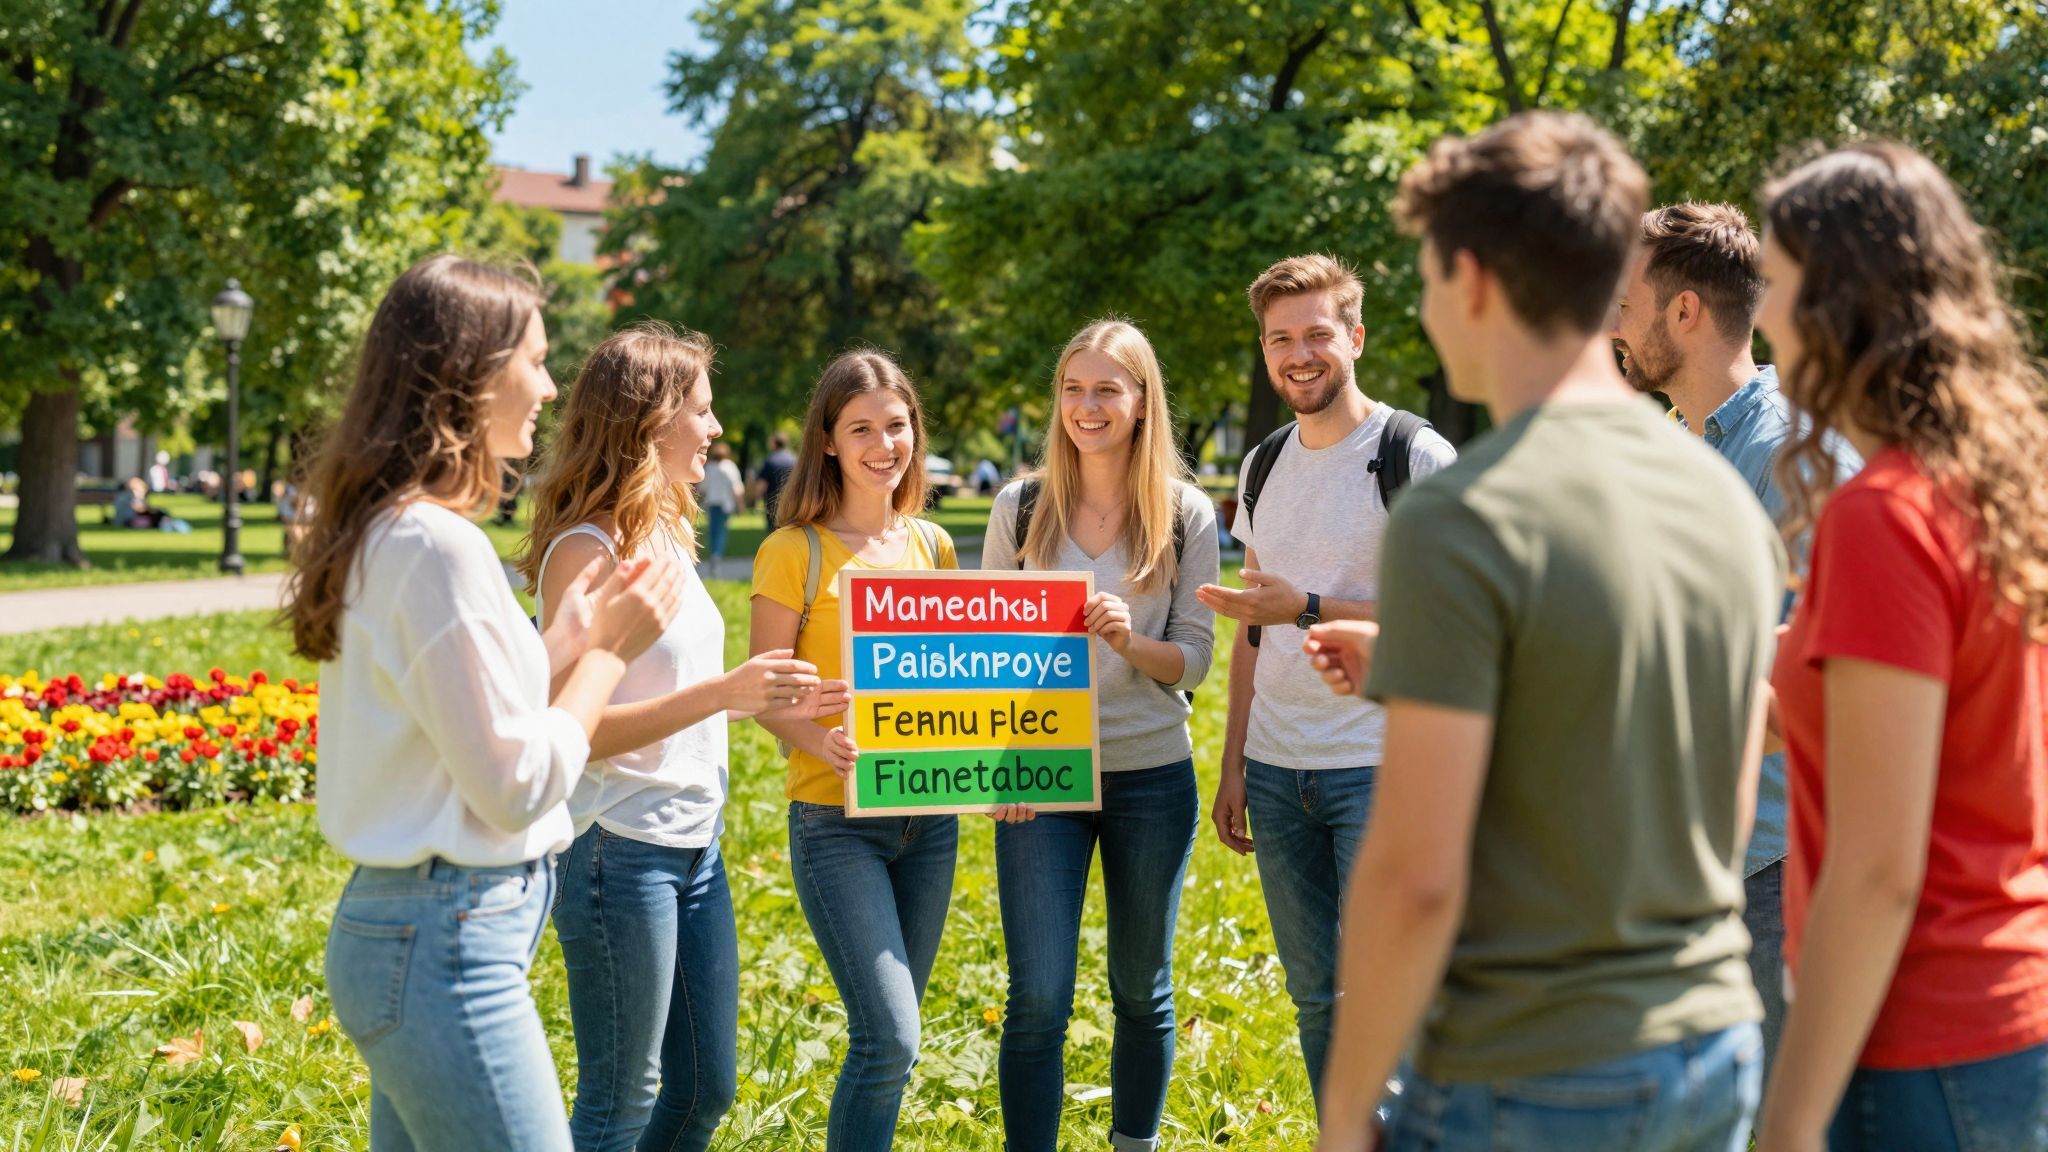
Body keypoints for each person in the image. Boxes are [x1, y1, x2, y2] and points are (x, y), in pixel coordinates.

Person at [1306, 112, 1782, 1151]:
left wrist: (1343, 1114)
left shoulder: (1460, 515)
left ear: (1472, 279)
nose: (1427, 310)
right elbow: (1723, 776)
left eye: (1427, 279)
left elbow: (1416, 874)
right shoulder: (1720, 495)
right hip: (1709, 1050)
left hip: (1528, 1070)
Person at [283, 254, 683, 1150]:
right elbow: (512, 784)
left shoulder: (398, 529)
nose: (548, 385)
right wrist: (610, 655)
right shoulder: (436, 547)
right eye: (534, 360)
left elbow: (456, 728)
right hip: (445, 949)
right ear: (467, 372)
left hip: (416, 934)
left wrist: (563, 645)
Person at [1752, 144, 2048, 1152]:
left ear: (1836, 304)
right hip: (2001, 1023)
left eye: (1774, 285)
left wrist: (1786, 1124)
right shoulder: (1988, 484)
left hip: (1914, 1045)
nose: (1761, 316)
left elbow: (1878, 869)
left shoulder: (1881, 516)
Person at [519, 323, 844, 1152]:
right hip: (616, 850)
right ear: (648, 420)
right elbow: (570, 730)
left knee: (705, 1088)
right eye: (700, 409)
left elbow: (682, 691)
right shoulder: (584, 553)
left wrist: (761, 698)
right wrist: (722, 693)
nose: (716, 428)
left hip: (695, 845)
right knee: (622, 1100)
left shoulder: (666, 533)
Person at [1192, 253, 1457, 1105]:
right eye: (1280, 340)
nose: (1298, 355)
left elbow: (1454, 626)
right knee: (1316, 1001)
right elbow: (1250, 636)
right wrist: (1234, 764)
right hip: (1275, 772)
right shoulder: (1262, 464)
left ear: (1355, 337)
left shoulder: (1414, 454)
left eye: (1316, 334)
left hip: (1380, 765)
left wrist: (1307, 604)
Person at [1610, 200, 1861, 1082]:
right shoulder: (1689, 448)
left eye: (1626, 302)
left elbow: (1819, 674)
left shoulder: (1794, 455)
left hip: (1772, 862)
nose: (1613, 322)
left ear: (1685, 312)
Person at [980, 319, 1220, 1152]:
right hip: (1041, 779)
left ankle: (1133, 1144)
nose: (1088, 406)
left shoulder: (1185, 513)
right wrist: (999, 765)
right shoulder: (1021, 507)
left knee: (1139, 987)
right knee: (1038, 995)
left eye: (1107, 389)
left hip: (1151, 776)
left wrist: (1128, 642)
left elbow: (1193, 662)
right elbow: (983, 656)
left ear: (1142, 400)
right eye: (1074, 389)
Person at [749, 350, 960, 1152]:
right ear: (828, 441)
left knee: (893, 1050)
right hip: (835, 822)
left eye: (896, 426)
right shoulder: (792, 551)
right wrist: (818, 736)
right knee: (892, 1038)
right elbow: (766, 694)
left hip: (928, 821)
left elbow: (957, 683)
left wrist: (1007, 756)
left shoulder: (935, 548)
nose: (884, 444)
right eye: (861, 428)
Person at [695, 442, 745, 577]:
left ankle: (714, 554)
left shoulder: (709, 467)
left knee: (713, 530)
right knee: (721, 530)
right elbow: (737, 488)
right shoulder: (730, 467)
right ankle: (717, 555)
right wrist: (740, 505)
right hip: (725, 505)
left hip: (712, 503)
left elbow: (702, 487)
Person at [751, 431, 797, 529]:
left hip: (773, 505)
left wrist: (755, 500)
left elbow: (761, 485)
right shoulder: (795, 460)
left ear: (775, 443)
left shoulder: (770, 461)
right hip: (793, 504)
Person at [113, 476, 190, 532]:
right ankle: (170, 524)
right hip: (129, 521)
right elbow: (139, 508)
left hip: (124, 520)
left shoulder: (123, 495)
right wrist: (152, 509)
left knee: (157, 514)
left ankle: (169, 523)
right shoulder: (132, 495)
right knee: (157, 515)